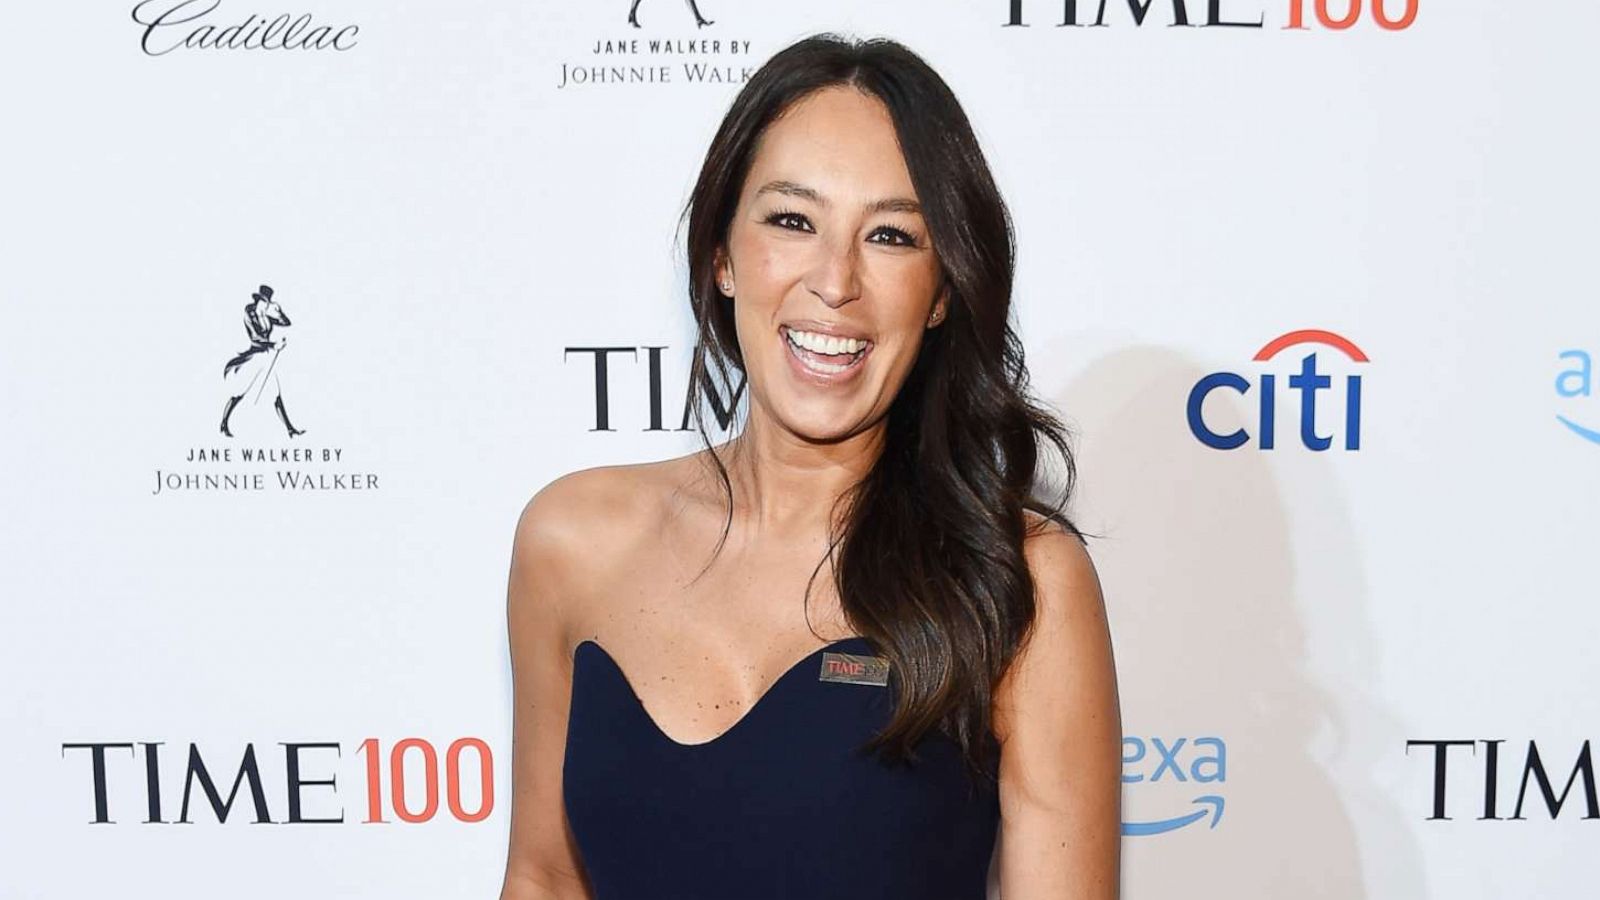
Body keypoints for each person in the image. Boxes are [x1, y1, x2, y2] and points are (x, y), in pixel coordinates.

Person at [499, 32, 1120, 900]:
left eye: (893, 235)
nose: (836, 280)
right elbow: (545, 876)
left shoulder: (1018, 580)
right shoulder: (571, 541)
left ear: (942, 292)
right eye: (793, 220)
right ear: (721, 255)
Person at [220, 283, 304, 438]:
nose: (266, 305)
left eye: (268, 302)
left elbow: (287, 323)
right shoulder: (249, 313)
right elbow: (255, 337)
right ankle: (224, 423)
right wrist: (274, 344)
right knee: (240, 391)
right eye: (264, 302)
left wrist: (279, 312)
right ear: (258, 301)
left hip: (266, 356)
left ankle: (290, 429)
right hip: (254, 357)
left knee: (276, 394)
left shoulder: (267, 315)